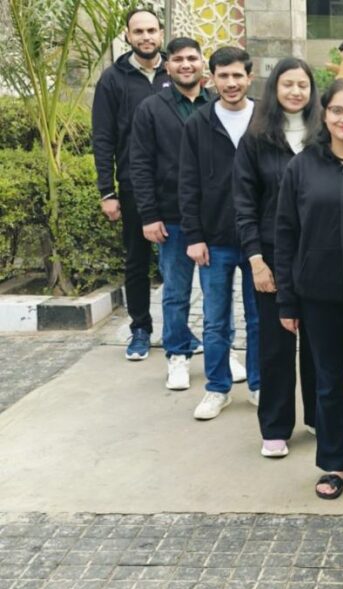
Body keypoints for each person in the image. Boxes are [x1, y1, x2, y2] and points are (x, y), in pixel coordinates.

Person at [276, 79, 343, 500]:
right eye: (338, 110)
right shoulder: (302, 166)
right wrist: (287, 299)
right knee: (327, 384)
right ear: (324, 114)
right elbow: (286, 234)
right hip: (317, 297)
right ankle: (334, 462)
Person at [233, 58, 320, 457]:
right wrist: (256, 260)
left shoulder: (324, 136)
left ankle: (320, 417)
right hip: (271, 255)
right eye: (288, 84)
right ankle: (275, 427)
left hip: (319, 257)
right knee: (276, 346)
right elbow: (244, 204)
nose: (295, 92)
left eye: (303, 85)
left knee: (320, 344)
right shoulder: (256, 138)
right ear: (274, 89)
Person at [178, 46, 260, 420]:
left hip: (258, 242)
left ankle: (259, 383)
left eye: (237, 75)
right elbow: (188, 183)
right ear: (211, 79)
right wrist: (194, 236)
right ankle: (217, 388)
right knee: (215, 320)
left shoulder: (264, 119)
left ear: (249, 77)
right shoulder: (199, 123)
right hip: (214, 240)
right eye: (223, 75)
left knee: (259, 319)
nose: (231, 82)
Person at [129, 37, 210, 390]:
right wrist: (149, 215)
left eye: (192, 58)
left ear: (202, 63)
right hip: (172, 217)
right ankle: (177, 354)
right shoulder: (151, 109)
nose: (186, 64)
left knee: (217, 293)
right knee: (176, 292)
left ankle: (221, 351)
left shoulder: (217, 103)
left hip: (215, 219)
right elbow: (140, 165)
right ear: (167, 65)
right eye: (178, 59)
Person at [92, 8, 169, 361]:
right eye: (139, 31)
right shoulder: (113, 79)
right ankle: (140, 328)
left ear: (161, 33)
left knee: (179, 262)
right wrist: (107, 191)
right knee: (137, 261)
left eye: (151, 30)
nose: (146, 37)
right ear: (127, 35)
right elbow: (103, 137)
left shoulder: (177, 72)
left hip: (177, 186)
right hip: (134, 184)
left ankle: (179, 329)